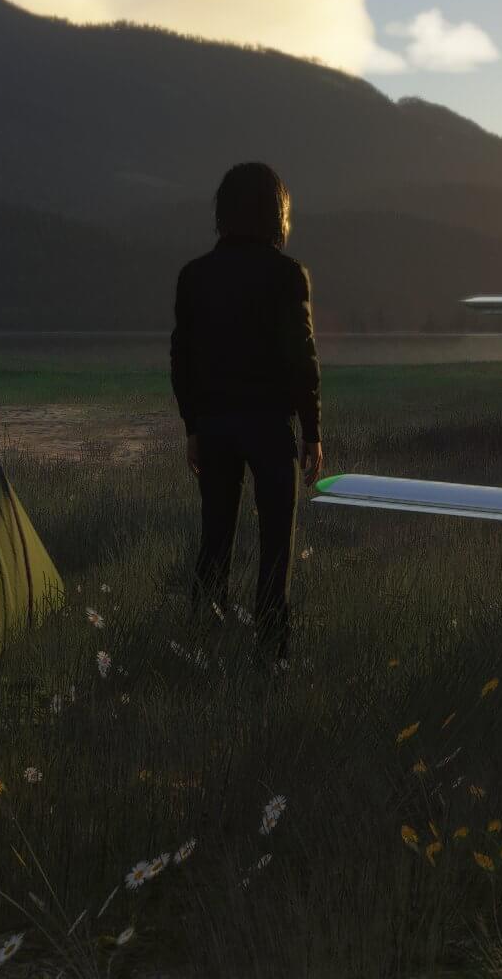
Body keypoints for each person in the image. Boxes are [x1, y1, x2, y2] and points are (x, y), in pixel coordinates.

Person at [168, 161, 322, 660]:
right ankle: (271, 656)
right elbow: (303, 359)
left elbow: (181, 358)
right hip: (269, 426)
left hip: (213, 426)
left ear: (224, 211)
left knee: (214, 540)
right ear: (277, 212)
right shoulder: (287, 276)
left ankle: (203, 644)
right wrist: (312, 432)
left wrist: (192, 425)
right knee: (276, 546)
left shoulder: (194, 277)